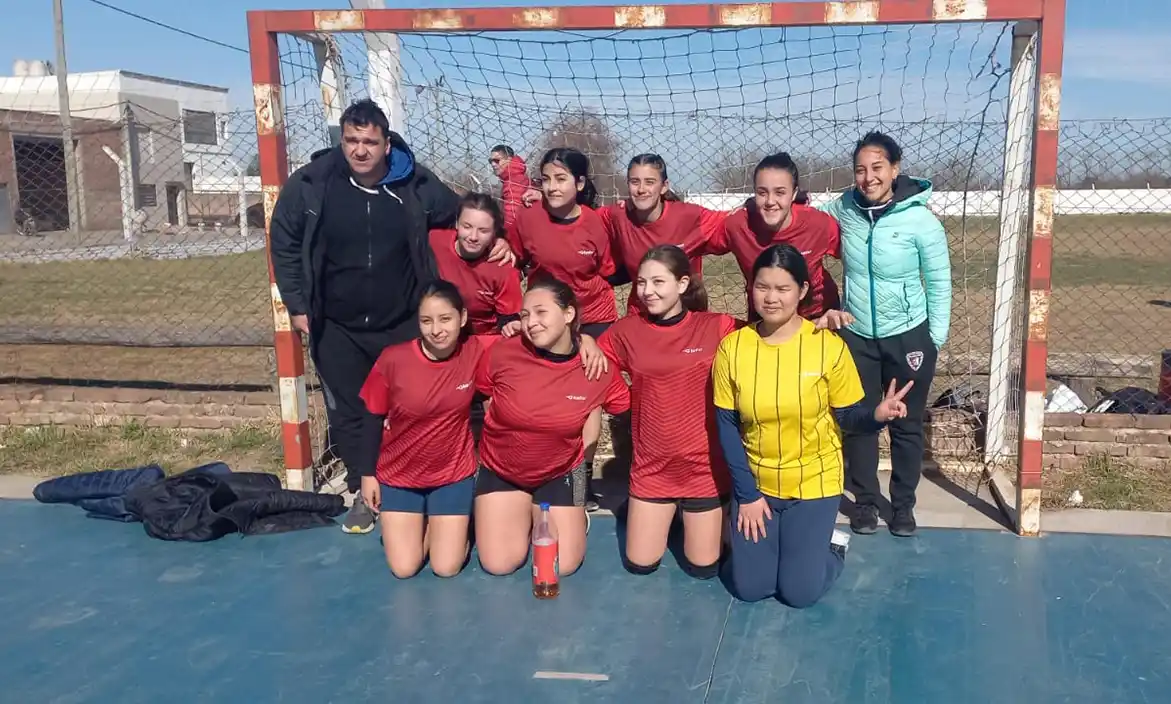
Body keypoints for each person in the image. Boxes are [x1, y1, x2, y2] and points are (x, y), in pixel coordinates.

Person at [268, 98, 514, 535]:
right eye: (351, 140)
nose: (359, 150)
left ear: (386, 143)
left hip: (401, 319)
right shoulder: (311, 183)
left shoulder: (415, 183)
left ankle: (413, 485)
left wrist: (499, 238)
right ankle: (364, 490)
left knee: (407, 408)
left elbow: (462, 215)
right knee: (350, 411)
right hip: (336, 322)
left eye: (369, 141)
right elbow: (284, 241)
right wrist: (298, 304)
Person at [711, 243, 912, 607]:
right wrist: (747, 495)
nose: (771, 298)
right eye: (762, 287)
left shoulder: (827, 346)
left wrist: (876, 416)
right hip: (758, 484)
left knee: (798, 594)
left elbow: (848, 416)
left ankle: (832, 548)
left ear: (802, 290)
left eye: (783, 288)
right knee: (750, 589)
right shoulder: (733, 348)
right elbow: (726, 425)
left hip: (814, 483)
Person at [821, 131, 952, 538]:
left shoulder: (920, 220)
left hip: (908, 337)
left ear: (895, 169)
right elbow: (805, 221)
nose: (868, 177)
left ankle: (903, 506)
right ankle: (864, 502)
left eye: (877, 168)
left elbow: (939, 281)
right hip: (857, 336)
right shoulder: (844, 209)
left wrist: (934, 338)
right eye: (860, 170)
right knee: (860, 420)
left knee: (905, 424)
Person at [473, 277, 630, 577]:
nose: (531, 322)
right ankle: (519, 511)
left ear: (568, 314)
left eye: (541, 312)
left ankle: (572, 512)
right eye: (525, 315)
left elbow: (627, 408)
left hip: (562, 472)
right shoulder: (503, 351)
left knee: (563, 566)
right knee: (498, 564)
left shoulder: (596, 367)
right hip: (502, 470)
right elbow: (484, 391)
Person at [597, 245, 737, 579]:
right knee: (640, 564)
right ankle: (664, 514)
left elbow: (770, 338)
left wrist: (819, 322)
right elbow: (591, 361)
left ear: (682, 283)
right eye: (641, 282)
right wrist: (622, 401)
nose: (647, 291)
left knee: (703, 568)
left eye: (658, 282)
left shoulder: (718, 326)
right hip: (652, 469)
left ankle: (708, 515)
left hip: (704, 468)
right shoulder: (627, 331)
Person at [358, 282, 484, 578]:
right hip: (400, 476)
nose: (436, 330)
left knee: (446, 568)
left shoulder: (475, 351)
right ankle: (427, 525)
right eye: (427, 321)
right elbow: (371, 417)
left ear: (462, 318)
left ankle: (454, 529)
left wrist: (585, 342)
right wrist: (367, 475)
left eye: (445, 319)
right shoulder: (393, 359)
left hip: (452, 475)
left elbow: (528, 343)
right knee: (404, 568)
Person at [709, 152, 843, 321]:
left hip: (817, 317)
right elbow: (697, 239)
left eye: (780, 192)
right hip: (766, 318)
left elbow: (855, 256)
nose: (770, 201)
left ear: (793, 194)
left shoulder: (818, 224)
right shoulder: (737, 226)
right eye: (762, 192)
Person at [506, 147, 619, 340]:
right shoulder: (528, 217)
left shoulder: (594, 223)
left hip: (592, 316)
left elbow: (607, 269)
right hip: (546, 315)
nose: (552, 187)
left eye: (560, 179)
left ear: (580, 183)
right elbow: (512, 260)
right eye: (546, 179)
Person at [598, 154, 728, 315]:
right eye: (635, 182)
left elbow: (732, 221)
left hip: (685, 313)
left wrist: (750, 204)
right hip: (641, 314)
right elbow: (582, 219)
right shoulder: (618, 215)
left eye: (650, 182)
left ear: (664, 186)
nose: (641, 189)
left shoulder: (688, 216)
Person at [429, 192, 524, 347]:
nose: (473, 237)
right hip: (440, 329)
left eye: (483, 230)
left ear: (494, 233)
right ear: (457, 224)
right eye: (467, 226)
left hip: (485, 336)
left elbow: (508, 319)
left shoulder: (503, 266)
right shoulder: (434, 241)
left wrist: (512, 327)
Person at [489, 144, 534, 227]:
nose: (493, 164)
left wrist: (505, 233)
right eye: (490, 161)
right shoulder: (514, 178)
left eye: (496, 160)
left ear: (509, 160)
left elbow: (511, 218)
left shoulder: (513, 182)